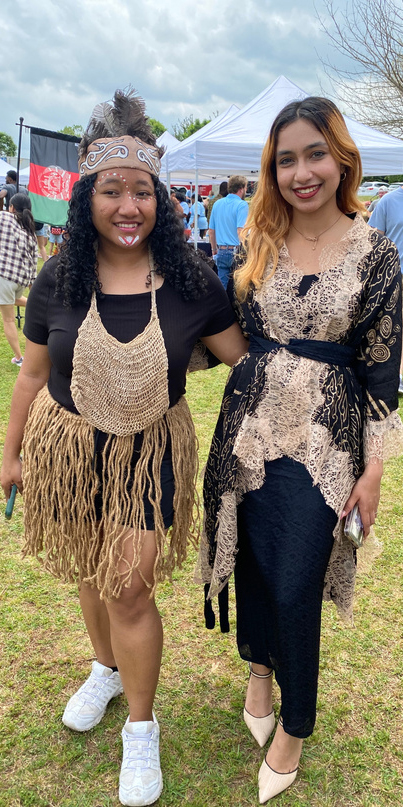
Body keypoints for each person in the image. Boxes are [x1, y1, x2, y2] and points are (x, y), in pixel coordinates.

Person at [0, 88, 247, 807]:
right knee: (89, 566)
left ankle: (141, 726)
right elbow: (34, 376)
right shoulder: (59, 276)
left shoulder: (192, 279)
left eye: (142, 190)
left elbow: (244, 359)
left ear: (160, 199)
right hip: (69, 450)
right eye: (112, 190)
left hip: (150, 449)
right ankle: (104, 669)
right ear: (86, 198)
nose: (128, 206)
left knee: (128, 585)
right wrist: (9, 452)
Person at [200, 97, 403, 803]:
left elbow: (382, 380)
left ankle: (296, 720)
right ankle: (258, 668)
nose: (300, 171)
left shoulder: (375, 256)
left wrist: (374, 470)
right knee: (252, 560)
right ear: (270, 169)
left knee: (294, 578)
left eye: (313, 153)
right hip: (246, 428)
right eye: (284, 159)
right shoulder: (259, 238)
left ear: (341, 157)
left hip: (325, 441)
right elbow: (223, 334)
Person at [369, 182, 403, 391]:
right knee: (396, 326)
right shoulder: (388, 201)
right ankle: (398, 376)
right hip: (397, 274)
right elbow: (374, 240)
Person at [0, 192, 37, 366]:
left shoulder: (4, 218)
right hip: (19, 280)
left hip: (4, 276)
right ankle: (35, 304)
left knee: (8, 319)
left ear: (12, 207)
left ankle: (19, 358)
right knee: (13, 300)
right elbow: (33, 261)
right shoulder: (30, 232)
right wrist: (33, 287)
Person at [208, 175, 248, 289]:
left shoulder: (217, 204)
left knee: (222, 287)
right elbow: (240, 230)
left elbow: (211, 231)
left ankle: (222, 306)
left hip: (221, 250)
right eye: (245, 188)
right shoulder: (242, 205)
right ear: (241, 189)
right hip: (236, 251)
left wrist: (214, 249)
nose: (245, 191)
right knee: (239, 288)